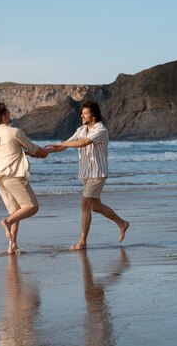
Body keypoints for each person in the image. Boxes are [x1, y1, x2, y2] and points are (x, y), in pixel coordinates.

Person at [45, 100, 129, 250]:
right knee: (95, 207)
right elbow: (65, 145)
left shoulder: (100, 130)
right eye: (82, 113)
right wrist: (43, 151)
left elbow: (83, 143)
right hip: (86, 173)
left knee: (84, 203)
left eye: (85, 113)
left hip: (97, 172)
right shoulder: (81, 129)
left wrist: (60, 145)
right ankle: (122, 223)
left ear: (94, 115)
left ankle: (82, 241)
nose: (82, 115)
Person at [0, 102, 48, 254]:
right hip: (14, 175)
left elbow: (11, 151)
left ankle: (12, 246)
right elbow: (33, 148)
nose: (10, 115)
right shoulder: (15, 132)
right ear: (4, 116)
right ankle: (6, 222)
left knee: (16, 212)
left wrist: (28, 153)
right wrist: (44, 152)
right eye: (8, 113)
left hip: (0, 177)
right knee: (32, 207)